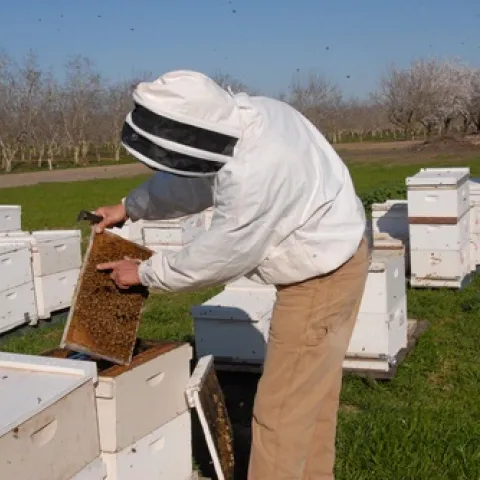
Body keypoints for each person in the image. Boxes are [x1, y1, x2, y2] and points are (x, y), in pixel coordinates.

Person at [95, 70, 369, 480]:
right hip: (339, 255)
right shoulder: (253, 117)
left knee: (280, 415)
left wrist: (146, 273)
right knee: (312, 399)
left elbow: (221, 253)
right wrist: (131, 207)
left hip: (321, 280)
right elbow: (196, 182)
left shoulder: (258, 170)